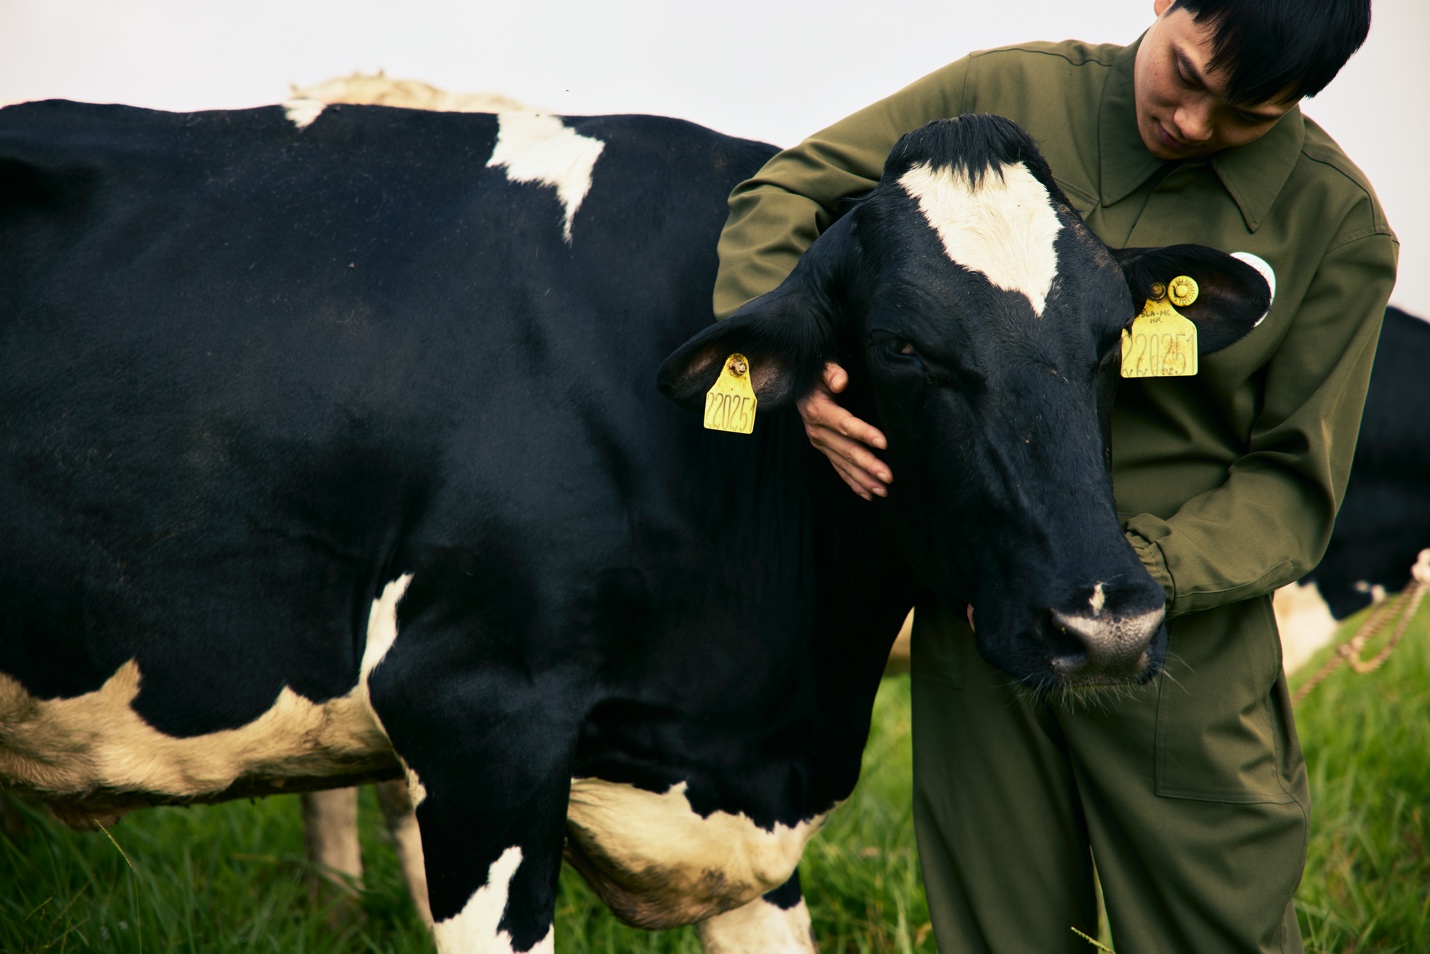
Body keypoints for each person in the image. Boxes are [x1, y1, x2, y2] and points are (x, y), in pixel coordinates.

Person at [712, 0, 1397, 950]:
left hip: (1171, 642)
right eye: (1187, 74)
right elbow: (784, 191)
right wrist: (808, 386)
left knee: (1217, 935)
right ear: (1165, 1)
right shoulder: (1003, 93)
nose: (1193, 122)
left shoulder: (1337, 225)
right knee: (998, 936)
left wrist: (1132, 574)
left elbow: (1292, 485)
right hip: (982, 617)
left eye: (1248, 114)